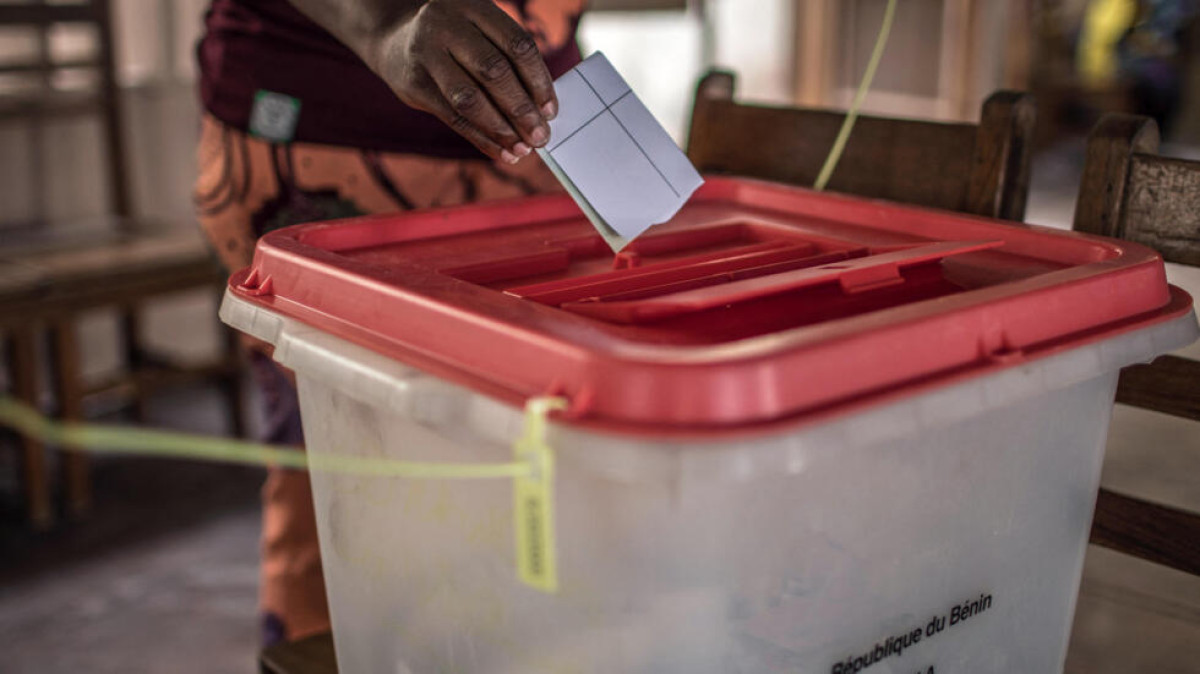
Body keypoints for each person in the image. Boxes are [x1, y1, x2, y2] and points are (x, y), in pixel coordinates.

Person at [194, 0, 586, 646]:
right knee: (344, 472)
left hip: (533, 145)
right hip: (318, 136)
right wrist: (381, 22)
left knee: (529, 483)